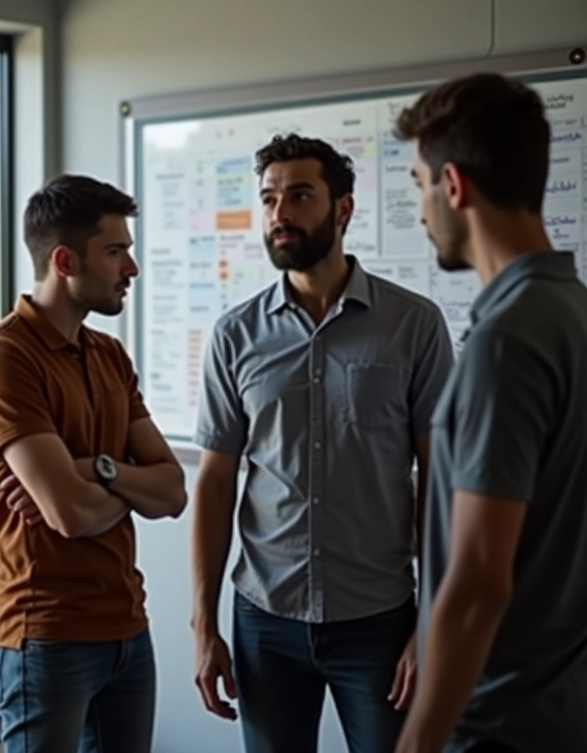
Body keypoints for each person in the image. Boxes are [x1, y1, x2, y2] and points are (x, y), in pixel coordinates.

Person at [191, 132, 454, 753]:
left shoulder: (414, 325)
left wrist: (431, 621)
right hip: (264, 621)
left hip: (380, 621)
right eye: (269, 198)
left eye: (300, 195)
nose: (280, 212)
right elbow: (215, 484)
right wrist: (204, 624)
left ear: (343, 208)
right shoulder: (234, 335)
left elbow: (438, 479)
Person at [392, 73, 587, 753]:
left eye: (419, 184)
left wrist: (417, 743)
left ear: (453, 185)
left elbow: (477, 583)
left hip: (498, 726)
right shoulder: (573, 311)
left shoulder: (506, 342)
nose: (421, 212)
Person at [0, 174, 187, 753]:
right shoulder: (3, 361)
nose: (131, 268)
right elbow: (69, 514)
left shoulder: (110, 355)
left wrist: (94, 469)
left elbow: (173, 492)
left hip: (128, 630)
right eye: (115, 252)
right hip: (47, 637)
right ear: (65, 261)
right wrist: (118, 487)